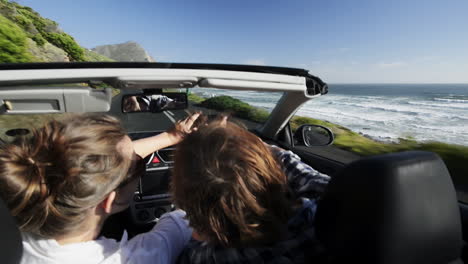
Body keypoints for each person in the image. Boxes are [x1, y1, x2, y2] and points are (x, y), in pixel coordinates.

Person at [0, 112, 200, 264]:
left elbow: (103, 165)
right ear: (109, 200)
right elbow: (180, 224)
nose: (139, 161)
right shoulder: (131, 258)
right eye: (138, 163)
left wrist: (171, 136)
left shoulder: (11, 235)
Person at [172, 117, 331, 263]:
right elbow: (290, 162)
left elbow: (189, 244)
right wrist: (241, 144)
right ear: (274, 174)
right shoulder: (328, 209)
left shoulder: (209, 258)